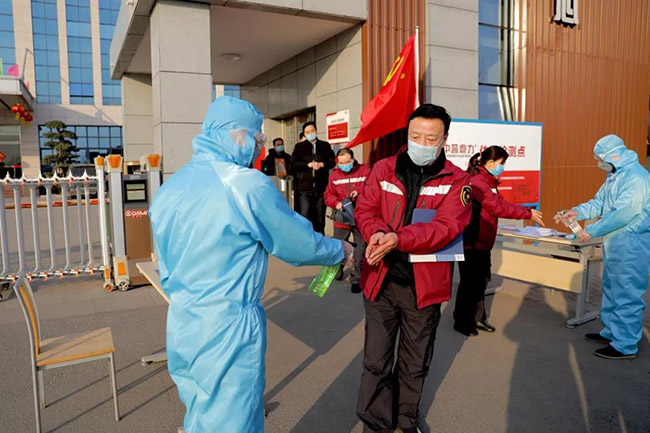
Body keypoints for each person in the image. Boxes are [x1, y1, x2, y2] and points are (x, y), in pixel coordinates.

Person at [149, 96, 353, 432]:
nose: (260, 147)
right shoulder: (243, 184)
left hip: (183, 322)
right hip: (227, 327)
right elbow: (296, 241)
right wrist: (339, 250)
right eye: (258, 138)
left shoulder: (172, 186)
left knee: (199, 413)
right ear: (238, 135)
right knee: (234, 420)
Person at [354, 104, 472, 433]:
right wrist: (375, 232)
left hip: (424, 288)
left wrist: (398, 239)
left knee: (414, 362)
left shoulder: (457, 180)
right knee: (376, 361)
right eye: (415, 136)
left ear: (445, 140)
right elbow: (365, 209)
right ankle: (375, 424)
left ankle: (406, 421)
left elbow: (447, 228)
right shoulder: (383, 169)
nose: (422, 143)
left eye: (431, 138)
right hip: (381, 281)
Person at [557, 134, 650, 360]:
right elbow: (599, 202)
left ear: (613, 156)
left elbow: (623, 213)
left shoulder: (636, 178)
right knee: (611, 288)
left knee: (627, 293)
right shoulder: (615, 175)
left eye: (600, 158)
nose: (598, 163)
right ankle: (611, 332)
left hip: (631, 244)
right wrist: (577, 211)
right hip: (616, 243)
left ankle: (625, 344)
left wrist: (592, 231)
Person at [453, 146, 545, 337]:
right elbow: (495, 207)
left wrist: (526, 210)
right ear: (490, 163)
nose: (503, 167)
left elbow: (502, 203)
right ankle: (462, 322)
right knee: (470, 283)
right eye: (502, 163)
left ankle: (477, 317)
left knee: (480, 281)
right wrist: (526, 214)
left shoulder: (489, 181)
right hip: (472, 241)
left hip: (482, 242)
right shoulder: (478, 182)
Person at [324, 148, 371, 293]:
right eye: (341, 163)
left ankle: (356, 280)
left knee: (360, 249)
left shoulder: (365, 171)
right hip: (342, 217)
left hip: (360, 216)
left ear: (353, 159)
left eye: (347, 162)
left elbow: (372, 189)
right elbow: (328, 194)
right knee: (338, 246)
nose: (344, 165)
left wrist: (360, 192)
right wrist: (336, 202)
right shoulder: (334, 175)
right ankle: (336, 269)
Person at [290, 121, 335, 234]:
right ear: (304, 134)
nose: (310, 133)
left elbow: (332, 161)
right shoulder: (299, 147)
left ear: (316, 131)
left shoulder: (325, 145)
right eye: (307, 132)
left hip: (321, 187)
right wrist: (307, 165)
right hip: (304, 187)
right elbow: (293, 164)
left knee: (320, 216)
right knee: (305, 215)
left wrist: (321, 164)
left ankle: (320, 238)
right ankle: (306, 238)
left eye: (312, 131)